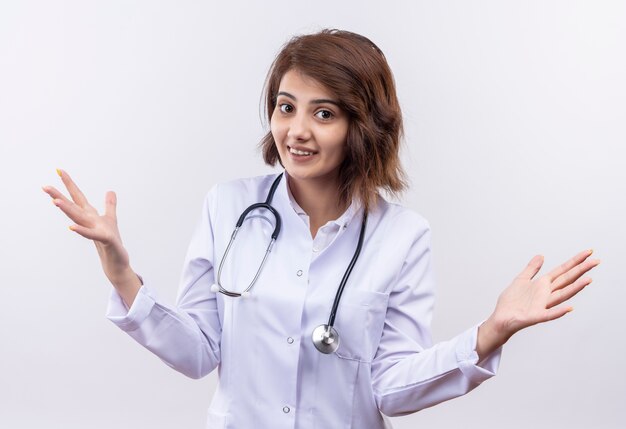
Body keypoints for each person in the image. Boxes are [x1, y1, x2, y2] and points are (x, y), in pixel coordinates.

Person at [43, 29, 599, 428]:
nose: (297, 131)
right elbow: (198, 352)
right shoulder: (227, 206)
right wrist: (121, 272)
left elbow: (391, 389)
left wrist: (490, 333)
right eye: (286, 107)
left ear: (365, 124)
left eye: (324, 113)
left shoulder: (402, 235)